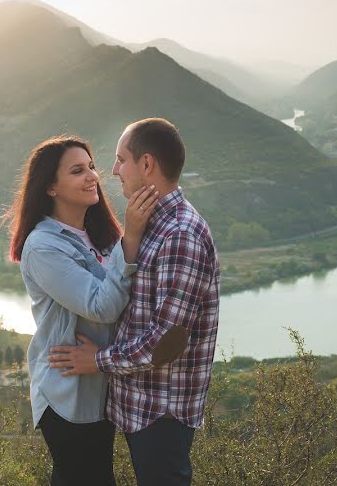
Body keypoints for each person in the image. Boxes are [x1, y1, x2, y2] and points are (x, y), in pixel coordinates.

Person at [49, 118, 221, 486]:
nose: (112, 171)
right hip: (138, 406)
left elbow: (165, 344)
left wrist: (96, 360)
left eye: (120, 159)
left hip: (161, 412)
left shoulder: (180, 235)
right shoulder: (149, 225)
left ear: (147, 165)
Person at [4, 135, 159, 486]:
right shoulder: (44, 246)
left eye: (91, 167)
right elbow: (101, 306)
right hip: (67, 394)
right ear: (50, 188)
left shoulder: (97, 235)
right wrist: (131, 237)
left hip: (100, 385)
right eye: (77, 170)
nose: (92, 176)